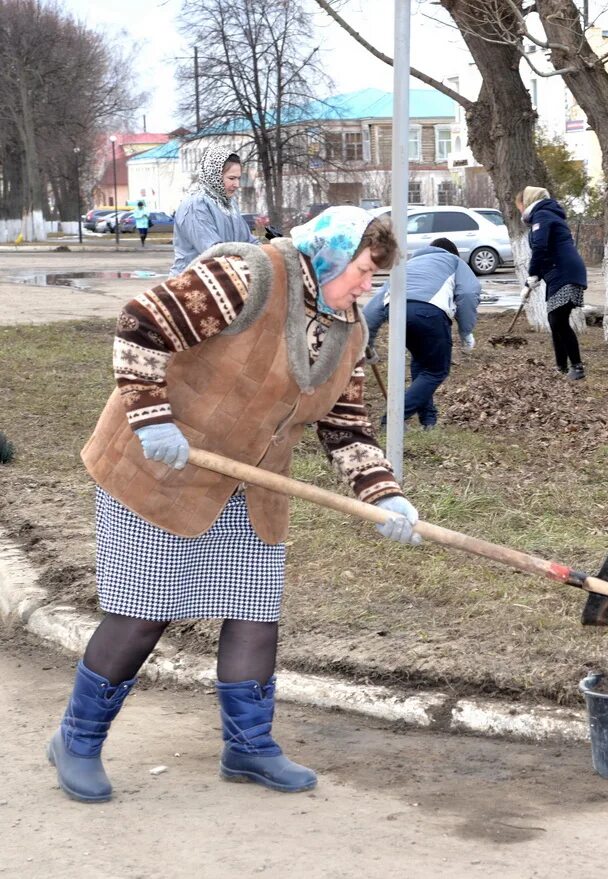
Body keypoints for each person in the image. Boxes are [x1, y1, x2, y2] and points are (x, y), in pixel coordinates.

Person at [47, 206, 422, 804]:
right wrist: (150, 416)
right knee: (144, 611)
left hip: (251, 485)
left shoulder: (348, 328)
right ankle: (77, 739)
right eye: (361, 270)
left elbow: (345, 426)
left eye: (374, 277)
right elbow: (142, 321)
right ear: (329, 253)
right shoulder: (250, 274)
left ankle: (248, 747)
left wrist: (386, 496)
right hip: (159, 466)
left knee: (253, 611)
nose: (365, 287)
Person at [362, 237, 481, 430]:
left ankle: (428, 420)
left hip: (396, 314)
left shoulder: (406, 265)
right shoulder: (454, 261)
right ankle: (393, 419)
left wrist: (368, 344)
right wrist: (466, 332)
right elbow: (468, 293)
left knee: (422, 363)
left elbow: (374, 307)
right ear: (452, 253)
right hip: (429, 313)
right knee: (436, 370)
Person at [516, 186, 588, 380]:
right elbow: (545, 252)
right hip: (558, 273)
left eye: (520, 206)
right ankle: (561, 367)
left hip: (565, 272)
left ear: (529, 202)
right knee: (555, 321)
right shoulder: (546, 215)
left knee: (558, 320)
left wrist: (532, 275)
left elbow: (540, 246)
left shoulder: (543, 216)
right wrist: (531, 282)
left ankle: (577, 368)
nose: (520, 212)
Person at [169, 146, 267, 275]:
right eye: (231, 178)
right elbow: (214, 251)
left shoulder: (229, 203)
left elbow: (248, 241)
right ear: (214, 175)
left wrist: (269, 254)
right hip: (192, 283)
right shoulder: (195, 205)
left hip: (221, 279)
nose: (237, 184)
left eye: (238, 178)